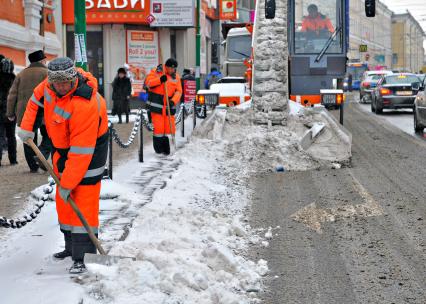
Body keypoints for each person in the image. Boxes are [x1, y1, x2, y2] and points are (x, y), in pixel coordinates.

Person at [18, 57, 109, 274]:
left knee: (82, 202)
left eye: (64, 83)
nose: (60, 87)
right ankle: (70, 248)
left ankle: (83, 257)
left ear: (73, 79)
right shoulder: (50, 85)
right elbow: (34, 101)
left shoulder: (85, 103)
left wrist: (68, 182)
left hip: (89, 154)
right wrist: (26, 127)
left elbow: (81, 152)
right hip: (63, 151)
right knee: (64, 201)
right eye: (56, 83)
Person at [7, 50, 52, 172]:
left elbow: (12, 95)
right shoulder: (47, 73)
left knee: (28, 138)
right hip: (44, 111)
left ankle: (33, 166)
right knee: (50, 135)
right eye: (44, 60)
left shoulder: (21, 74)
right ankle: (41, 154)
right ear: (41, 61)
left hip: (25, 113)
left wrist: (10, 113)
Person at [145, 58, 182, 155]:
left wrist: (173, 101)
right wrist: (160, 80)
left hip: (169, 106)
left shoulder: (176, 77)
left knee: (170, 128)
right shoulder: (157, 72)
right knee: (159, 129)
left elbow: (179, 91)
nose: (171, 70)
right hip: (156, 106)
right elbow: (148, 83)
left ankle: (168, 149)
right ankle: (158, 150)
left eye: (173, 69)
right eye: (170, 68)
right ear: (166, 66)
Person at [0, 57, 17, 166]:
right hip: (11, 112)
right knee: (11, 136)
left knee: (0, 135)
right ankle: (13, 159)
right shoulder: (14, 79)